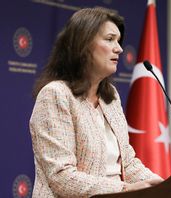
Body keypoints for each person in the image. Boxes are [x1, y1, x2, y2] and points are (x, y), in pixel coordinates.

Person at [29, 7, 163, 197]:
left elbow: (127, 162)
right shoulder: (55, 95)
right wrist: (125, 189)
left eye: (118, 40)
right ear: (82, 44)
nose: (119, 48)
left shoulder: (111, 97)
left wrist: (163, 186)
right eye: (109, 39)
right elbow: (61, 177)